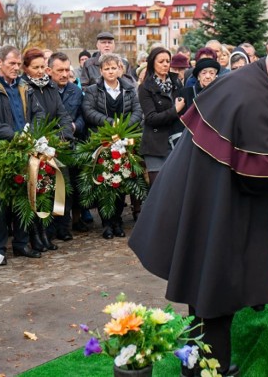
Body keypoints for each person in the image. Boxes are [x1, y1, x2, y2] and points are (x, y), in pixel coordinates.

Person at [128, 34, 268, 376]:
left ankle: (201, 365)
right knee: (214, 296)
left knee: (204, 295)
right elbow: (256, 172)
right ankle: (208, 370)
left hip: (208, 203)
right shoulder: (253, 98)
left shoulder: (248, 83)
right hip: (217, 212)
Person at [0, 45, 46, 265]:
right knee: (0, 203)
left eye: (18, 64)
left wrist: (31, 133)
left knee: (23, 199)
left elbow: (39, 113)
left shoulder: (25, 87)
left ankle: (21, 244)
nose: (16, 68)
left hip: (25, 150)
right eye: (12, 63)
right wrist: (14, 135)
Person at [82, 53, 142, 239]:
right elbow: (88, 111)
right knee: (105, 179)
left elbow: (137, 110)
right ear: (101, 71)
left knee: (121, 178)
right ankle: (107, 223)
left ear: (120, 69)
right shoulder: (93, 90)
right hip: (102, 140)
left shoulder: (130, 89)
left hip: (124, 140)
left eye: (113, 68)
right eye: (106, 68)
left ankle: (117, 221)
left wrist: (125, 127)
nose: (110, 71)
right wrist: (109, 123)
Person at [22, 48, 75, 251]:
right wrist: (41, 141)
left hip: (56, 144)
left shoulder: (50, 87)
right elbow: (32, 117)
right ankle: (38, 234)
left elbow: (62, 114)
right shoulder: (24, 88)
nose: (40, 71)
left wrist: (62, 137)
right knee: (40, 191)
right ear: (26, 68)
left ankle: (53, 231)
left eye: (43, 67)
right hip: (36, 146)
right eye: (36, 68)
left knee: (59, 189)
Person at [47, 52, 87, 236]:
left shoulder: (75, 91)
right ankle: (50, 227)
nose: (64, 74)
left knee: (67, 188)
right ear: (50, 71)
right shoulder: (45, 90)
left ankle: (64, 226)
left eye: (66, 70)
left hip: (69, 144)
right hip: (48, 146)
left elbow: (82, 116)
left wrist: (75, 126)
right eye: (59, 70)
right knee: (49, 188)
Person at [138, 47, 183, 185]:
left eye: (168, 61)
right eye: (161, 61)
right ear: (152, 63)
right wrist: (175, 110)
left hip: (177, 139)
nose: (165, 64)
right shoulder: (145, 87)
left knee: (177, 186)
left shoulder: (176, 83)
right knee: (158, 188)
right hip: (155, 144)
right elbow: (151, 118)